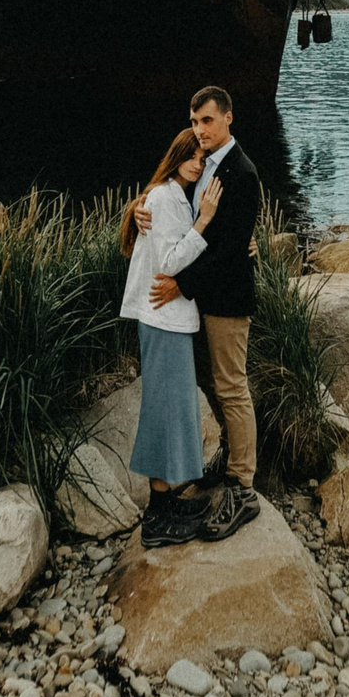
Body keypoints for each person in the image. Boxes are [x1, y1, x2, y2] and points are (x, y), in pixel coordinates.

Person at [139, 84, 264, 541]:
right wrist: (141, 208)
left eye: (207, 121)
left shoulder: (241, 171)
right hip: (203, 301)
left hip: (226, 300)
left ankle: (243, 487)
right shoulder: (205, 168)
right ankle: (230, 461)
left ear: (228, 118)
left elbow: (231, 246)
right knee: (214, 383)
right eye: (194, 123)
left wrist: (181, 283)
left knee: (232, 385)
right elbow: (185, 221)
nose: (200, 131)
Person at [117, 127, 224, 544]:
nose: (198, 164)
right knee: (162, 411)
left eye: (202, 158)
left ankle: (165, 500)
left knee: (172, 409)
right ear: (177, 155)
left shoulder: (173, 195)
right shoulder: (163, 198)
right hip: (162, 319)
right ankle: (156, 519)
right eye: (191, 156)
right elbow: (169, 260)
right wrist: (205, 221)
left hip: (172, 319)